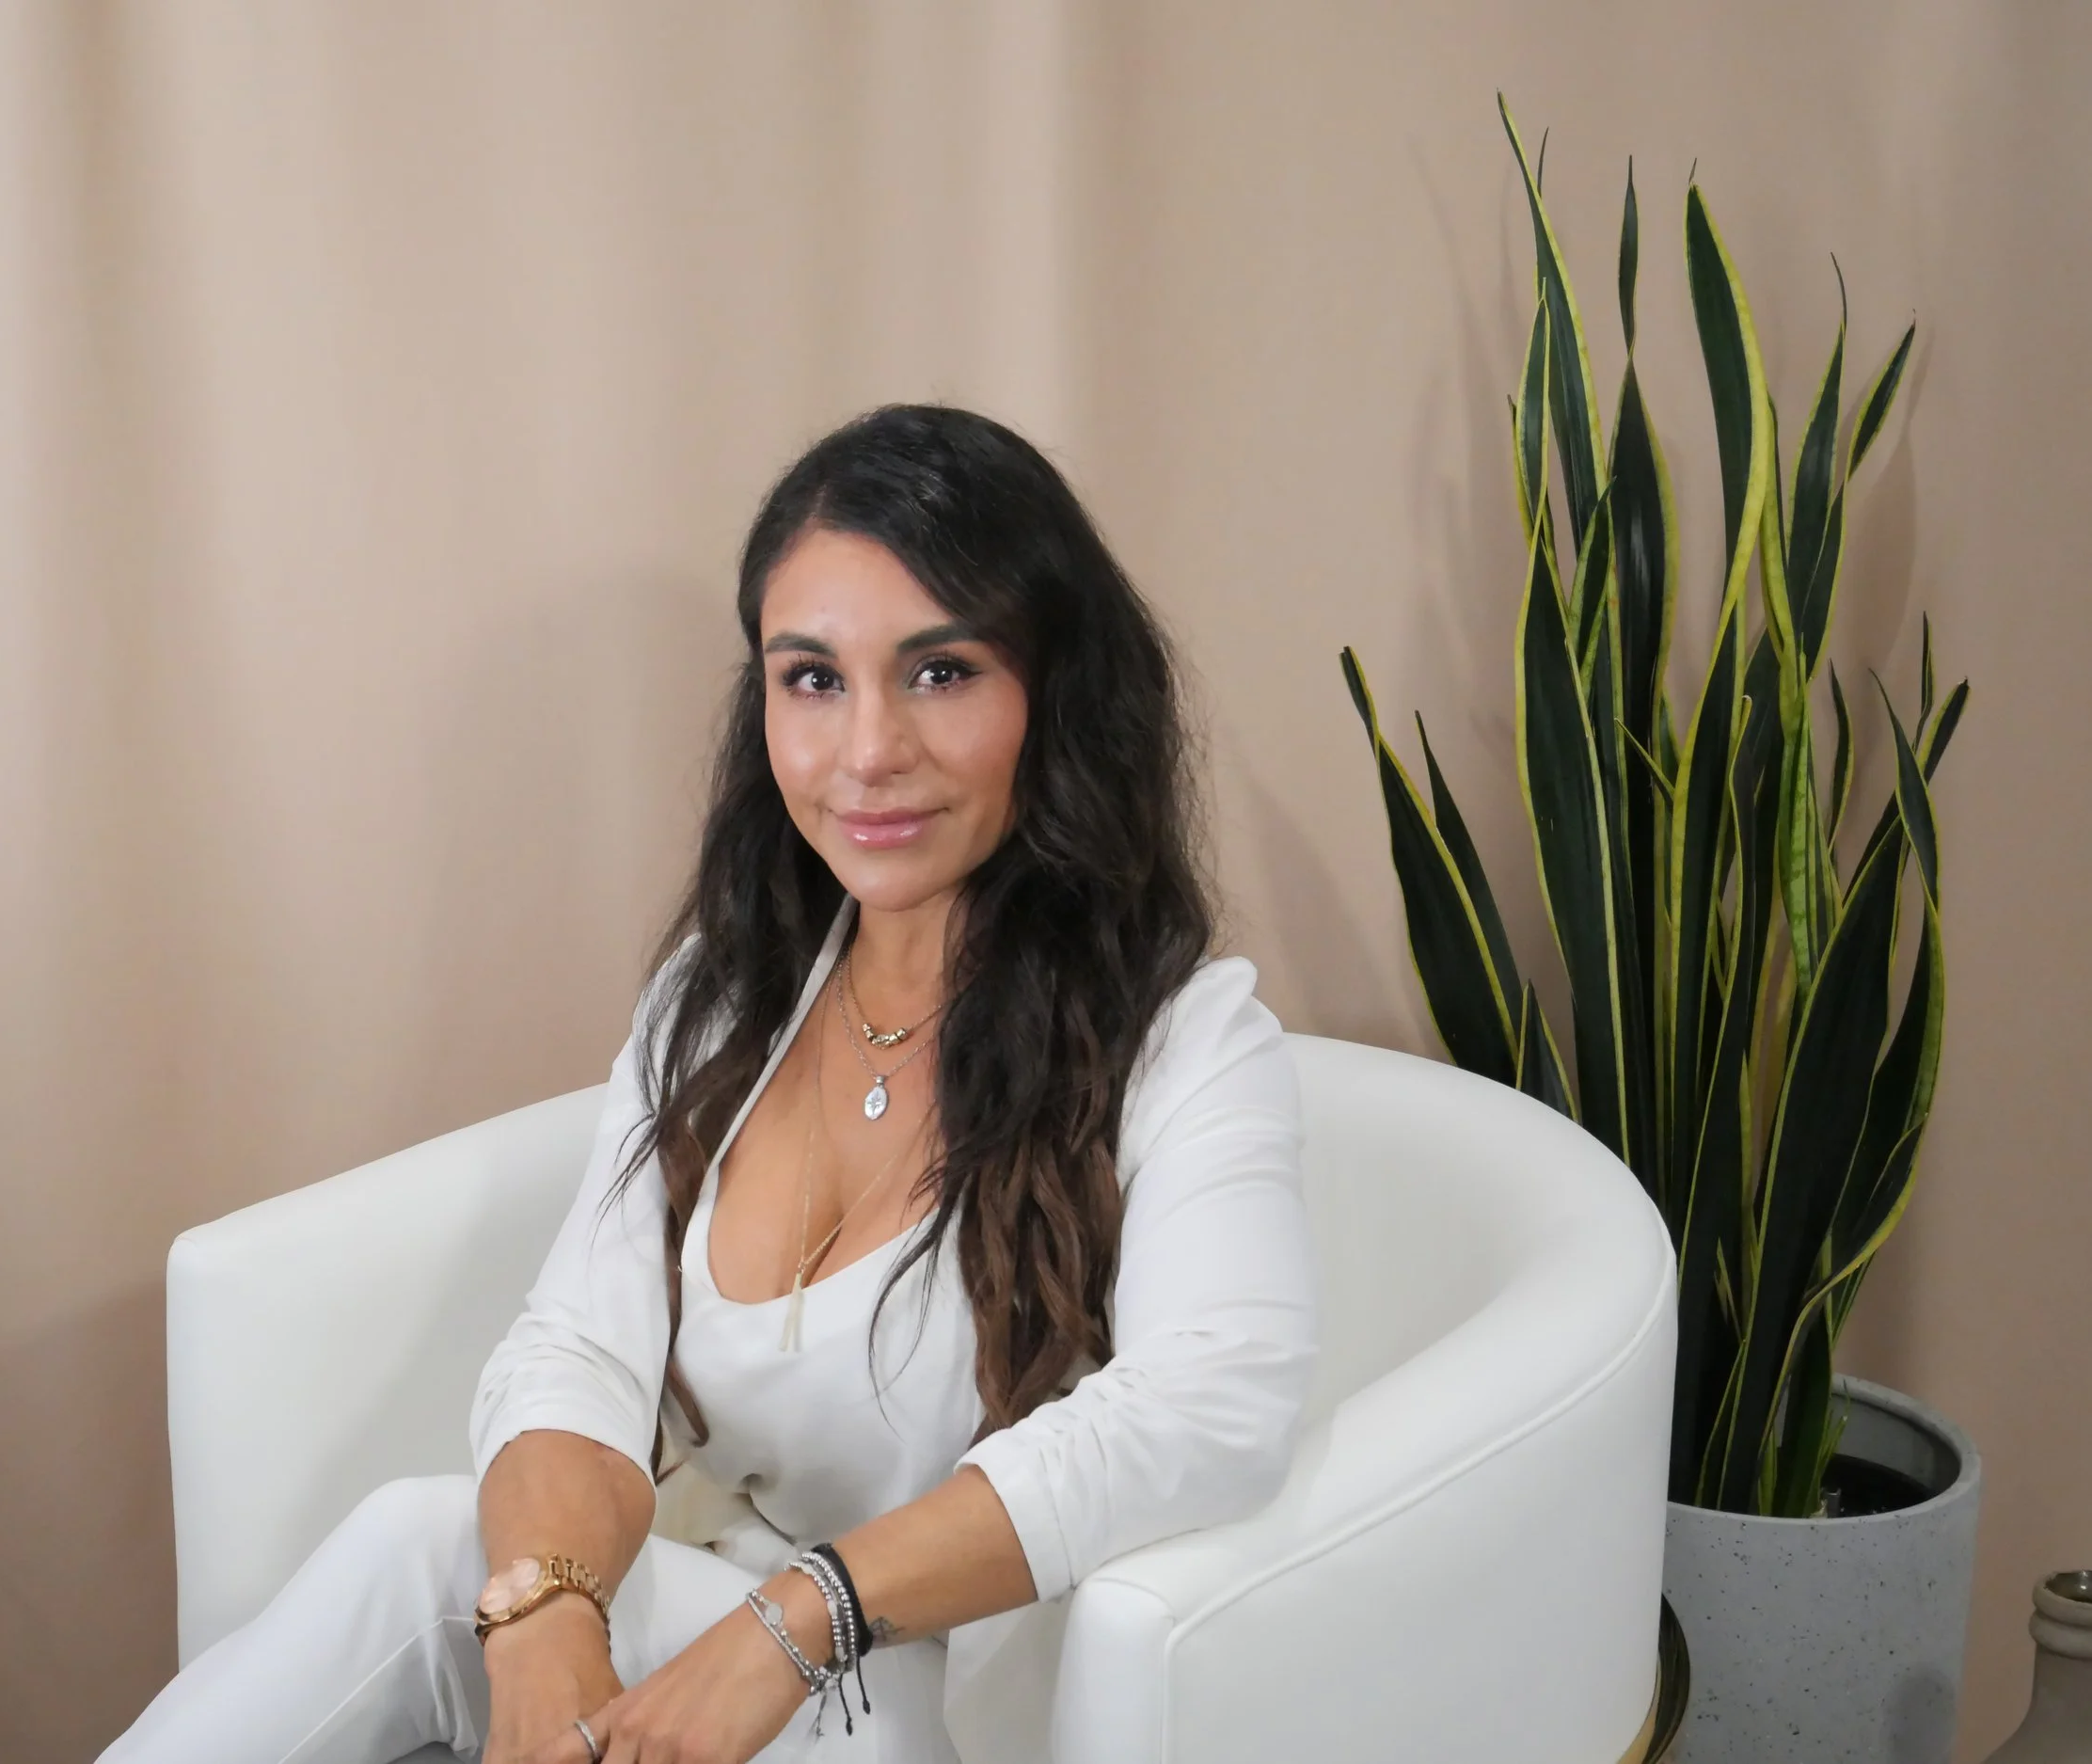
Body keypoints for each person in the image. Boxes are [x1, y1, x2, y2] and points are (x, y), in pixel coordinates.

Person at [100, 403, 1319, 1764]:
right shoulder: (720, 1003)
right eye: (812, 678)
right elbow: (578, 1347)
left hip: (933, 1718)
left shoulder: (1185, 1038)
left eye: (941, 672)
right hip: (719, 1643)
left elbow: (1216, 1402)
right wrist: (547, 1616)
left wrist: (805, 1617)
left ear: (1055, 693)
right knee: (416, 1546)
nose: (866, 752)